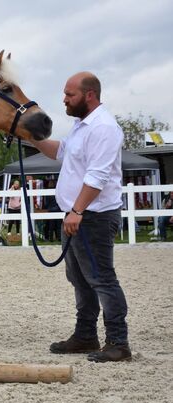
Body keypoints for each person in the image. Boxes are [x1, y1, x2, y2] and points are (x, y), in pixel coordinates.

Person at [31, 71, 131, 362]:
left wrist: (77, 210)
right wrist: (33, 138)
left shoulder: (103, 128)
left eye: (69, 94)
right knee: (79, 278)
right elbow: (61, 152)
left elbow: (97, 176)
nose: (64, 99)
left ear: (89, 95)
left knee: (102, 278)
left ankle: (118, 341)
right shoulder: (81, 126)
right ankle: (86, 334)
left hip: (93, 216)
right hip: (77, 215)